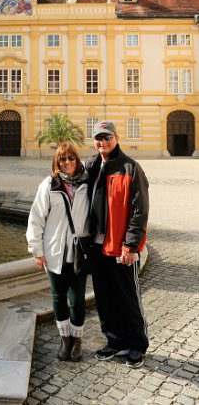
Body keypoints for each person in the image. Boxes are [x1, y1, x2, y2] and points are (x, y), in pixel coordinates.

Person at [86, 120, 149, 368]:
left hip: (121, 247)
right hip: (97, 246)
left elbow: (140, 210)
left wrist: (131, 246)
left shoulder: (130, 168)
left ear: (116, 137)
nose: (103, 142)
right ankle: (114, 341)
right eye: (98, 138)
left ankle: (136, 344)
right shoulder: (91, 166)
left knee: (127, 297)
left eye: (107, 137)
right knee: (104, 297)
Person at [26, 141, 90, 362]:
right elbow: (36, 218)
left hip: (79, 252)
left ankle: (78, 340)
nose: (67, 162)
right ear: (57, 162)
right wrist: (36, 249)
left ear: (77, 159)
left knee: (78, 299)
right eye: (62, 159)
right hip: (55, 252)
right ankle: (65, 339)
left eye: (71, 158)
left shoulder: (87, 183)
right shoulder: (49, 185)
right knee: (58, 297)